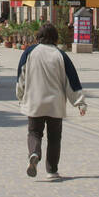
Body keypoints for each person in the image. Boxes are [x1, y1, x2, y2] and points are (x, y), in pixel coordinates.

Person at [15, 21, 87, 180]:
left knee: (34, 132)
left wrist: (20, 95)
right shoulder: (60, 55)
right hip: (55, 103)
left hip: (35, 101)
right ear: (55, 38)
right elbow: (72, 80)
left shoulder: (30, 52)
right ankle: (52, 171)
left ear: (38, 37)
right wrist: (80, 102)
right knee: (54, 137)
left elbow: (21, 76)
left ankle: (34, 153)